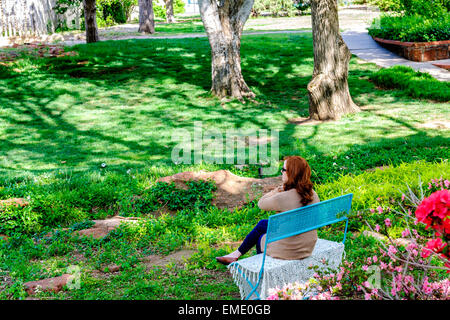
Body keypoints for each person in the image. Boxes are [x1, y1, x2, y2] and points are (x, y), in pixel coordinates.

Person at [215, 156, 320, 265]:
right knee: (263, 224)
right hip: (306, 246)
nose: (281, 172)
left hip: (291, 250)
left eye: (283, 170)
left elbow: (261, 203)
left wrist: (279, 189)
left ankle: (261, 273)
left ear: (292, 173)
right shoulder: (312, 194)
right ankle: (235, 255)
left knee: (261, 238)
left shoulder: (282, 197)